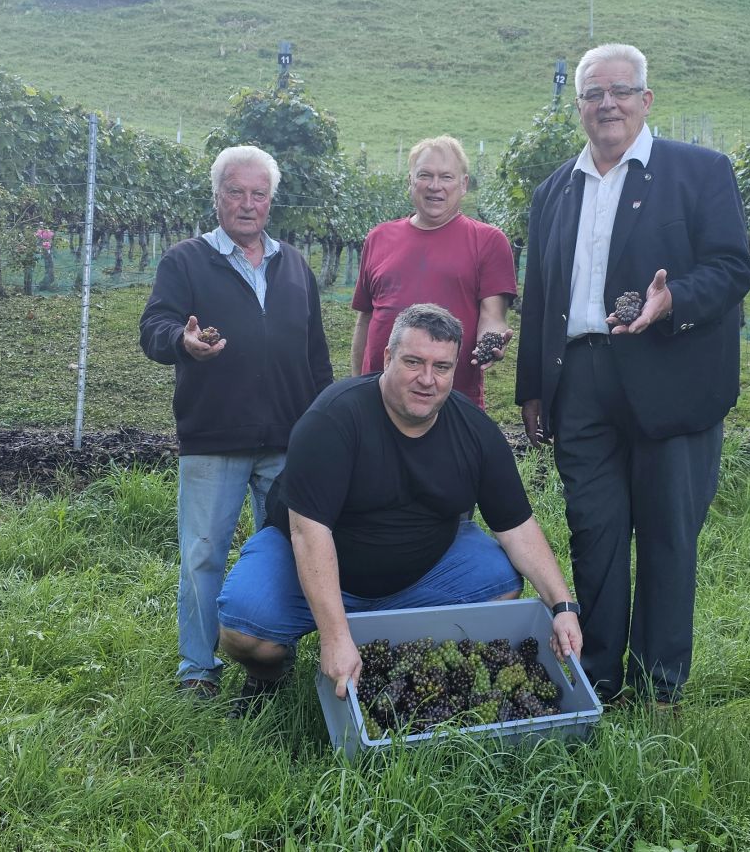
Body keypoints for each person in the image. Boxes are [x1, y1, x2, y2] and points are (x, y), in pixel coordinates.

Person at [514, 43, 750, 706]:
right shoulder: (554, 190)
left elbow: (733, 267)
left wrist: (673, 300)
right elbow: (542, 294)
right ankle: (595, 677)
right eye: (594, 93)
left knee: (668, 535)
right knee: (594, 532)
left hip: (671, 375)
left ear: (646, 100)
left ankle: (658, 685)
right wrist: (532, 386)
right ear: (579, 106)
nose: (608, 103)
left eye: (621, 90)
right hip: (581, 380)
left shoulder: (699, 171)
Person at [217, 303, 582, 708]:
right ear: (388, 357)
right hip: (313, 559)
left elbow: (517, 527)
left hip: (421, 572)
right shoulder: (333, 420)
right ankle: (270, 677)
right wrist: (335, 636)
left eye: (441, 367)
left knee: (501, 582)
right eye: (413, 362)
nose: (427, 379)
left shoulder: (475, 432)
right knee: (244, 630)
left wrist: (563, 605)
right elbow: (309, 532)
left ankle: (404, 661)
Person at [139, 145, 333, 699]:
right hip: (214, 436)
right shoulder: (185, 261)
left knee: (288, 552)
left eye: (258, 194)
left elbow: (316, 355)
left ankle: (268, 664)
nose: (247, 204)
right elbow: (154, 327)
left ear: (270, 202)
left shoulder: (294, 265)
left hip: (288, 440)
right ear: (217, 197)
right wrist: (183, 342)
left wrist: (323, 425)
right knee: (203, 554)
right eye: (235, 192)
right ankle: (197, 669)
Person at [350, 135, 516, 409]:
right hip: (377, 399)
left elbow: (493, 316)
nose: (435, 186)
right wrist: (356, 386)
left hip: (450, 402)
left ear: (463, 184)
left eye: (446, 177)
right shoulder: (378, 238)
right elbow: (366, 320)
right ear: (411, 181)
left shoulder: (488, 241)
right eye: (425, 175)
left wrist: (491, 341)